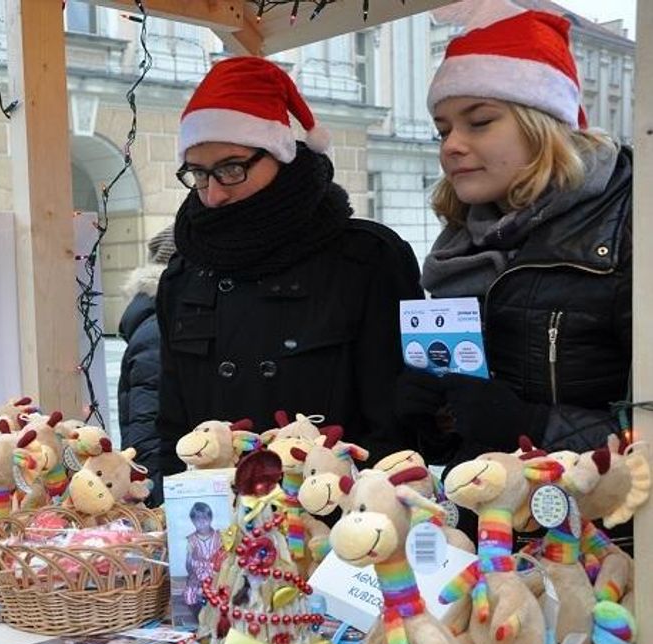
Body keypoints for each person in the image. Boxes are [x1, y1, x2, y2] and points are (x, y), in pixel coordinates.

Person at [396, 2, 632, 538]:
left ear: (542, 125)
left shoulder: (629, 224)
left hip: (609, 553)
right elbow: (475, 418)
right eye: (442, 129)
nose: (452, 145)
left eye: (479, 122)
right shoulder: (461, 240)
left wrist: (535, 427)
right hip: (497, 537)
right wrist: (433, 415)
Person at [156, 56, 424, 477]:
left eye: (230, 168)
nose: (212, 196)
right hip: (213, 520)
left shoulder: (366, 260)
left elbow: (396, 427)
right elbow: (170, 428)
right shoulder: (185, 273)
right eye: (198, 173)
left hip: (332, 524)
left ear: (279, 154)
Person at [116, 224, 175, 502]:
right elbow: (146, 424)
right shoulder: (158, 330)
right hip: (162, 490)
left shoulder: (157, 322)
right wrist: (158, 497)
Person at [183, 501, 222, 615]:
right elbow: (189, 560)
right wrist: (191, 574)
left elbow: (223, 554)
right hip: (198, 570)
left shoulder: (219, 536)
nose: (202, 522)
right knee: (191, 592)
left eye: (205, 518)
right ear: (193, 521)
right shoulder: (192, 539)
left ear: (211, 518)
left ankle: (214, 606)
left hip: (215, 569)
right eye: (197, 519)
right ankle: (198, 608)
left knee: (218, 589)